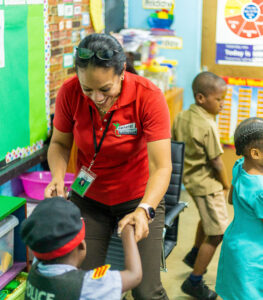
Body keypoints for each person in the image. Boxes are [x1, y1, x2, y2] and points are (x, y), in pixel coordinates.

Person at [45, 33, 172, 300]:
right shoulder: (69, 93)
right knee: (80, 285)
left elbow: (161, 167)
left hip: (139, 197)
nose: (95, 98)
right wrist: (57, 177)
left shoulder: (148, 96)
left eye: (105, 89)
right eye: (87, 89)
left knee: (146, 291)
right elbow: (58, 143)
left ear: (122, 72)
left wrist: (145, 209)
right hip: (89, 199)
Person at [173, 71, 230, 299]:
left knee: (207, 220)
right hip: (206, 184)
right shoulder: (208, 125)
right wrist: (227, 185)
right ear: (201, 98)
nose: (223, 105)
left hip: (189, 179)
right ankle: (194, 281)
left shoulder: (181, 116)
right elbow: (217, 162)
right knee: (217, 234)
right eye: (219, 100)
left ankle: (195, 253)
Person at [20, 197, 142, 300]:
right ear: (81, 245)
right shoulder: (86, 285)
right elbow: (134, 275)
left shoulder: (35, 268)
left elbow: (45, 230)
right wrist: (128, 232)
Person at [216, 117, 263, 300]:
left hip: (235, 245)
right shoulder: (260, 190)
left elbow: (231, 199)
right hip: (253, 256)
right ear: (255, 153)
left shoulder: (239, 167)